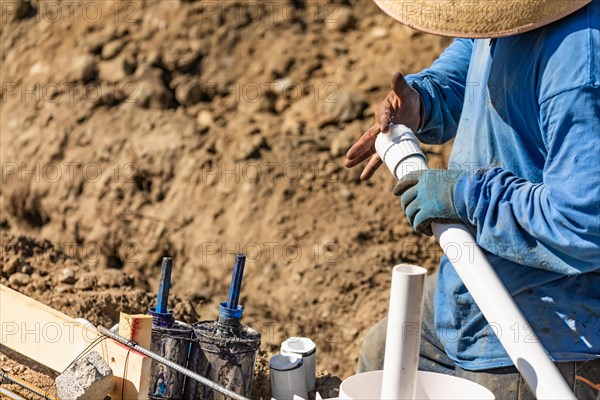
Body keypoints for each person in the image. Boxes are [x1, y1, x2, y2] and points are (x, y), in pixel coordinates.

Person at [345, 1, 600, 398]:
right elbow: (474, 57)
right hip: (476, 276)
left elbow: (584, 223)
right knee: (383, 355)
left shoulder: (580, 66)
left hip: (552, 324)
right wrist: (424, 100)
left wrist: (465, 195)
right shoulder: (516, 13)